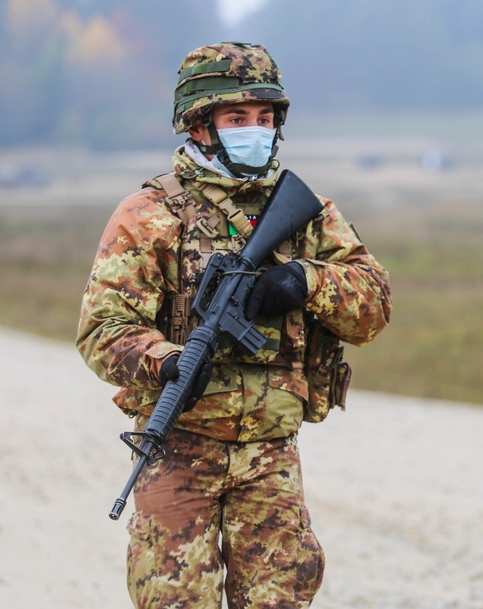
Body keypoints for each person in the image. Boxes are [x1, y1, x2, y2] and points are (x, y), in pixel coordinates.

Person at [77, 41, 392, 609]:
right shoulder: (149, 215)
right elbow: (103, 330)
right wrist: (166, 360)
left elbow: (373, 305)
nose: (256, 130)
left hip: (271, 455)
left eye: (265, 119)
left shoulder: (307, 213)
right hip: (177, 450)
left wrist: (301, 281)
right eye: (237, 118)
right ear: (200, 126)